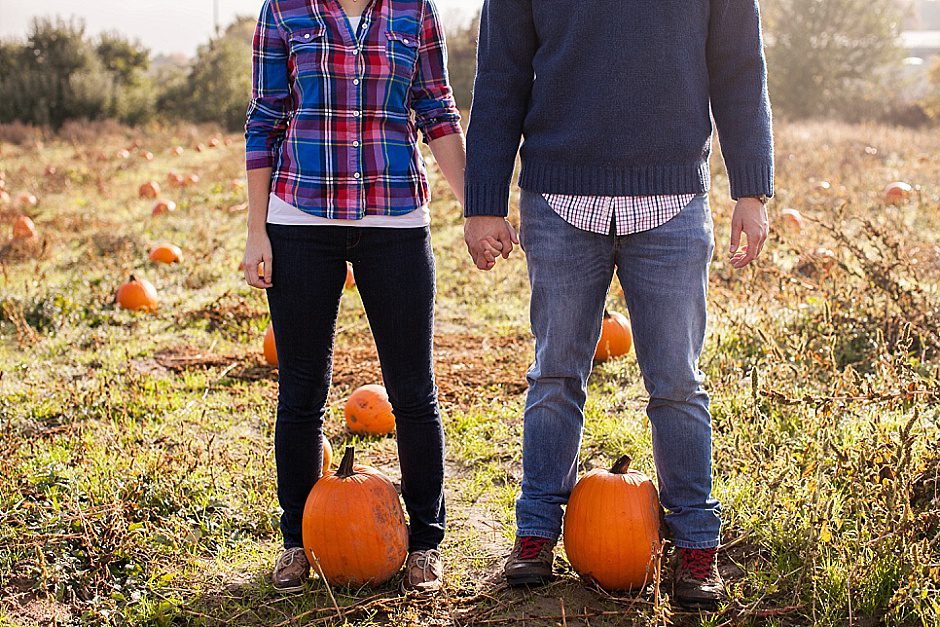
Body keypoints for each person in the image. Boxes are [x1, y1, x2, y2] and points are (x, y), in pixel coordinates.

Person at [462, 0, 774, 609]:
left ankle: (694, 545)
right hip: (558, 197)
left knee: (679, 384)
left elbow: (739, 69)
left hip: (674, 199)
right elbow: (500, 76)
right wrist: (482, 201)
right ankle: (536, 533)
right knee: (554, 375)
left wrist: (752, 190)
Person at [243, 0, 465, 595]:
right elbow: (265, 116)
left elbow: (435, 107)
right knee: (301, 390)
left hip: (395, 216)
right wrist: (256, 229)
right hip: (299, 216)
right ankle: (296, 540)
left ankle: (423, 544)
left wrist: (477, 206)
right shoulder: (284, 9)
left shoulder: (414, 9)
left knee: (413, 390)